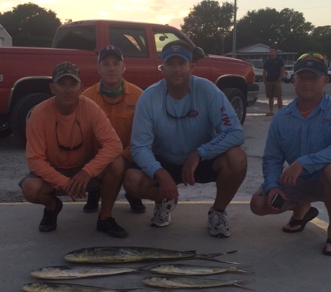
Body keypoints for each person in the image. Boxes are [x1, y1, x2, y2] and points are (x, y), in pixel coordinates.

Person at [123, 40, 247, 237]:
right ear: (162, 68)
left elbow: (235, 132)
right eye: (170, 64)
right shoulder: (148, 97)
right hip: (165, 160)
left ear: (191, 66)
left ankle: (218, 212)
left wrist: (200, 153)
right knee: (131, 180)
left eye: (181, 63)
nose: (176, 69)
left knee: (237, 157)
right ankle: (164, 201)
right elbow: (139, 147)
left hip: (201, 160)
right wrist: (160, 173)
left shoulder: (208, 91)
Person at [250, 53, 331, 256]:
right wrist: (272, 186)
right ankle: (302, 211)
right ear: (293, 79)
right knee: (259, 203)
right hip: (297, 182)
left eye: (313, 78)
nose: (307, 83)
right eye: (302, 77)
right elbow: (272, 158)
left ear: (325, 81)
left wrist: (302, 163)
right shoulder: (281, 117)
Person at [19, 61, 128, 238]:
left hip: (83, 171)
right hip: (53, 171)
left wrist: (87, 171)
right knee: (30, 188)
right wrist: (64, 183)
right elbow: (34, 160)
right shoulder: (38, 114)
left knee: (117, 164)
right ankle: (52, 207)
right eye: (62, 84)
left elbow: (114, 145)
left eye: (73, 84)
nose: (67, 90)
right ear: (52, 88)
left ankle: (105, 218)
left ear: (80, 88)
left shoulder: (91, 108)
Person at [82, 45, 146, 214]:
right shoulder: (86, 98)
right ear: (98, 68)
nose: (111, 68)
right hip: (98, 158)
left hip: (130, 155)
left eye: (116, 63)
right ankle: (94, 192)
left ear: (124, 67)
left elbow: (144, 136)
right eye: (106, 64)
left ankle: (133, 194)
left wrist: (124, 157)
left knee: (121, 165)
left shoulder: (140, 96)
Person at [262, 46, 285, 116]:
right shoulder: (267, 62)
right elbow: (264, 72)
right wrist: (264, 81)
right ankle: (271, 111)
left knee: (279, 96)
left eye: (272, 51)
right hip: (269, 81)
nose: (271, 52)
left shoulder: (279, 61)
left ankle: (280, 111)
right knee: (270, 97)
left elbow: (282, 70)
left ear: (276, 52)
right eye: (270, 51)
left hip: (276, 81)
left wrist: (279, 79)